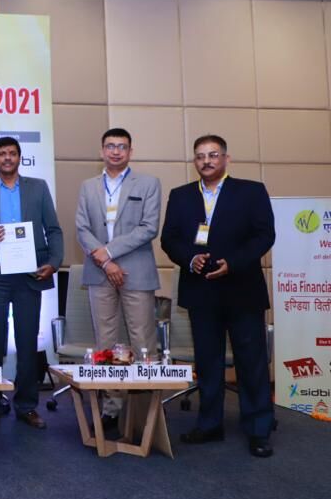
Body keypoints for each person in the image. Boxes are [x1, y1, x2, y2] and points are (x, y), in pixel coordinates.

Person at [160, 134, 275, 458]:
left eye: (212, 155)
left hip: (242, 289)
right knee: (208, 363)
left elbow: (265, 235)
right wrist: (189, 258)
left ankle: (258, 429)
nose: (206, 161)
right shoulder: (181, 195)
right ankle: (210, 424)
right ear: (194, 161)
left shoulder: (251, 191)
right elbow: (169, 238)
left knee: (251, 363)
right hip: (201, 292)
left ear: (226, 158)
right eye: (200, 156)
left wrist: (233, 263)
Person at [0, 136, 63, 430]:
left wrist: (54, 263)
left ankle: (26, 405)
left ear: (19, 157)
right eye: (2, 154)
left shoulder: (38, 187)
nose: (7, 158)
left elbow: (54, 229)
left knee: (27, 343)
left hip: (29, 276)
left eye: (12, 153)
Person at [74, 128, 161, 425]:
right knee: (106, 342)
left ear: (130, 152)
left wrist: (108, 252)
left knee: (142, 340)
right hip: (99, 271)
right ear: (101, 151)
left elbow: (149, 227)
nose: (115, 151)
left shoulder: (148, 183)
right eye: (110, 146)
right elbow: (82, 228)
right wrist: (104, 261)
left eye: (122, 147)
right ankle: (111, 407)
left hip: (136, 270)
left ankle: (146, 410)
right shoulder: (88, 186)